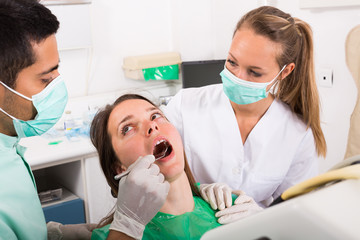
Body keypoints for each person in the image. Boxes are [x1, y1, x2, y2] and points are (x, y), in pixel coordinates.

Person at [163, 6, 327, 207]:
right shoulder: (183, 106)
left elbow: (298, 209)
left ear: (285, 72)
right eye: (232, 62)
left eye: (254, 72)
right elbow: (155, 180)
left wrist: (257, 214)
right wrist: (196, 192)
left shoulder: (297, 134)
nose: (238, 77)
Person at [89, 94, 262, 240]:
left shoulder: (232, 208)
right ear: (119, 169)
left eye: (155, 116)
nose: (152, 126)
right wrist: (128, 224)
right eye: (127, 128)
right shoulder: (115, 235)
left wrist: (266, 224)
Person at [0, 0, 66, 238]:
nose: (59, 88)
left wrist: (55, 233)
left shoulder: (8, 146)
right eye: (46, 80)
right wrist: (126, 227)